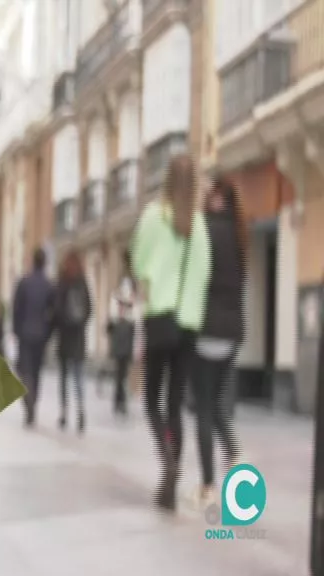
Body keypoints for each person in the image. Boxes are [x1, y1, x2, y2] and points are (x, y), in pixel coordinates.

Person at [130, 153, 212, 512]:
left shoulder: (154, 216)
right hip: (190, 323)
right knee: (175, 403)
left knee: (151, 400)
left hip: (160, 317)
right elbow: (205, 273)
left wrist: (150, 279)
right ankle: (172, 469)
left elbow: (137, 261)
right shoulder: (199, 225)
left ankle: (168, 461)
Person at [190, 176, 245, 508]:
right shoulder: (240, 235)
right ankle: (234, 455)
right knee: (215, 403)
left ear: (215, 198)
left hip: (206, 331)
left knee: (202, 408)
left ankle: (208, 485)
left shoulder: (204, 230)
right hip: (233, 333)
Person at [13, 247, 55, 428]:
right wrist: (48, 333)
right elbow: (54, 313)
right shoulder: (49, 285)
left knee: (24, 370)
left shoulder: (24, 282)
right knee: (36, 372)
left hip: (25, 334)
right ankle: (33, 403)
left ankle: (28, 402)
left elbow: (16, 309)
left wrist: (16, 330)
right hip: (41, 335)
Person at [53, 249, 92, 433]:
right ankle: (81, 411)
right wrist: (81, 324)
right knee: (78, 377)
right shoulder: (82, 282)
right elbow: (89, 309)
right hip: (78, 338)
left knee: (64, 378)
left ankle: (64, 413)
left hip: (65, 337)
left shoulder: (62, 282)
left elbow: (56, 310)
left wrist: (61, 324)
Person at [107, 267, 135, 416]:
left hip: (124, 343)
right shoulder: (116, 301)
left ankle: (120, 401)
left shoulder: (131, 304)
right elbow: (110, 324)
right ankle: (119, 401)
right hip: (120, 343)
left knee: (122, 374)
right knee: (120, 374)